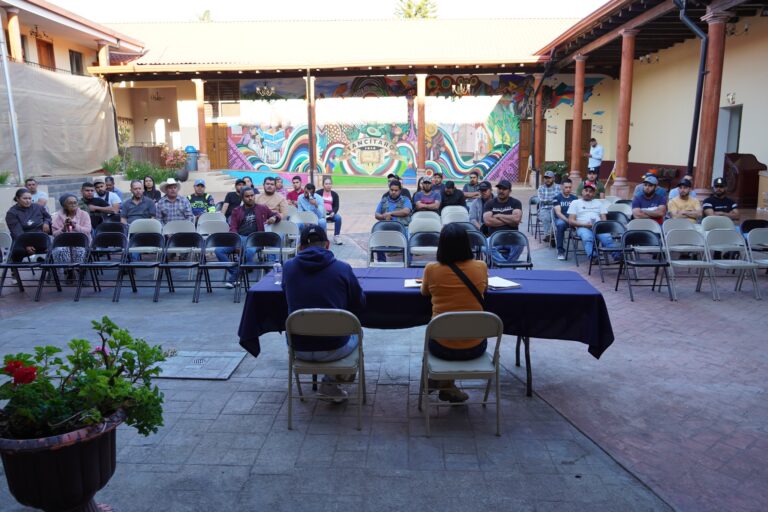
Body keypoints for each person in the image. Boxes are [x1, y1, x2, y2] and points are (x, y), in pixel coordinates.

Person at [282, 224, 366, 403]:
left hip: (298, 348)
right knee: (358, 331)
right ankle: (331, 383)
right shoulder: (343, 268)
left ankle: (330, 384)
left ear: (301, 247)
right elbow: (359, 303)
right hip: (335, 348)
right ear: (327, 244)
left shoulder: (288, 268)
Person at [420, 223, 488, 403]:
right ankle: (446, 386)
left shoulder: (431, 269)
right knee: (458, 328)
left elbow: (424, 293)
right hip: (475, 346)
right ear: (467, 244)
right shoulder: (481, 267)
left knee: (444, 330)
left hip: (442, 347)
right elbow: (485, 288)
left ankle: (443, 382)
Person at [216, 186, 280, 288]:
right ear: (242, 198)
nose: (250, 198)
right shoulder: (236, 210)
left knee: (249, 252)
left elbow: (277, 215)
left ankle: (234, 277)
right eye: (247, 196)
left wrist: (274, 217)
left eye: (252, 195)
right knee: (219, 251)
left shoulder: (262, 208)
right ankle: (236, 272)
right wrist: (236, 241)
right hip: (240, 238)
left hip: (256, 240)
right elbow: (233, 228)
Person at [482, 180, 524, 264]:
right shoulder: (489, 203)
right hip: (495, 237)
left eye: (504, 189)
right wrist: (509, 220)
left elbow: (516, 219)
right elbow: (488, 221)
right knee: (484, 246)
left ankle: (503, 266)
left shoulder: (515, 203)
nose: (501, 191)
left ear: (510, 191)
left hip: (512, 237)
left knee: (521, 243)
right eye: (499, 188)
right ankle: (506, 265)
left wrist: (499, 215)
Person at [4, 188, 51, 262]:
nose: (28, 201)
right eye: (25, 198)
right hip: (21, 240)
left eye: (29, 198)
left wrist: (46, 223)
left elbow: (48, 217)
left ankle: (48, 266)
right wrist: (26, 244)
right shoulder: (12, 213)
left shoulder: (38, 207)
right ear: (18, 199)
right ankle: (15, 269)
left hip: (39, 238)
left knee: (53, 247)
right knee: (18, 251)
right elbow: (17, 231)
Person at [51, 194, 92, 277]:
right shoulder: (57, 216)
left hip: (81, 243)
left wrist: (74, 226)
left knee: (79, 250)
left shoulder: (84, 214)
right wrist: (64, 228)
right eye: (70, 203)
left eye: (75, 202)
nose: (73, 204)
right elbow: (54, 234)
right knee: (59, 250)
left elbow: (87, 230)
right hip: (64, 243)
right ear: (64, 205)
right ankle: (69, 270)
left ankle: (81, 270)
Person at [568, 182, 609, 258]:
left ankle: (617, 256)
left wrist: (600, 225)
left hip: (598, 227)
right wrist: (585, 225)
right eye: (586, 190)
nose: (588, 193)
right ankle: (593, 257)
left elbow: (604, 219)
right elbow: (571, 221)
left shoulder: (599, 203)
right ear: (582, 191)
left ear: (594, 193)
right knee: (588, 238)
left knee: (607, 238)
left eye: (590, 191)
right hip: (582, 227)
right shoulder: (575, 203)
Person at [552, 178, 578, 260]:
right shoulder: (556, 198)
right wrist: (569, 221)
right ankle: (560, 251)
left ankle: (592, 251)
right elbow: (558, 213)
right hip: (562, 219)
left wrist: (574, 221)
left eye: (570, 187)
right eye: (566, 187)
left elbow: (578, 211)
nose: (568, 189)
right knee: (560, 224)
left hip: (573, 220)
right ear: (561, 187)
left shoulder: (575, 198)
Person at [537, 170, 561, 243]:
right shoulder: (541, 188)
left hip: (556, 208)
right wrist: (553, 200)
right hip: (544, 208)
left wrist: (549, 201)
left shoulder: (558, 187)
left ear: (553, 178)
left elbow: (559, 198)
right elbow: (541, 199)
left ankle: (553, 235)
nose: (547, 179)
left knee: (555, 219)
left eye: (549, 178)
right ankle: (549, 236)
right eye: (546, 178)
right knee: (545, 217)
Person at [321, 177, 343, 245]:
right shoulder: (318, 193)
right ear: (323, 185)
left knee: (338, 218)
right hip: (321, 213)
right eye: (326, 184)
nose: (328, 185)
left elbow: (336, 206)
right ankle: (323, 238)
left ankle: (336, 236)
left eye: (330, 184)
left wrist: (333, 212)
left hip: (331, 213)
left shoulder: (335, 194)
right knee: (321, 221)